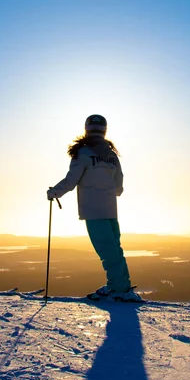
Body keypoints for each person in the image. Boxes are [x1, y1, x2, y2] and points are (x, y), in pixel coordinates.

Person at [47, 114, 142, 302]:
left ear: (86, 129)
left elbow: (71, 180)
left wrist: (54, 192)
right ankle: (120, 285)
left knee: (107, 251)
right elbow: (119, 188)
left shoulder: (83, 153)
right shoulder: (112, 156)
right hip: (111, 211)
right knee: (115, 249)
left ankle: (118, 290)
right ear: (105, 130)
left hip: (92, 210)